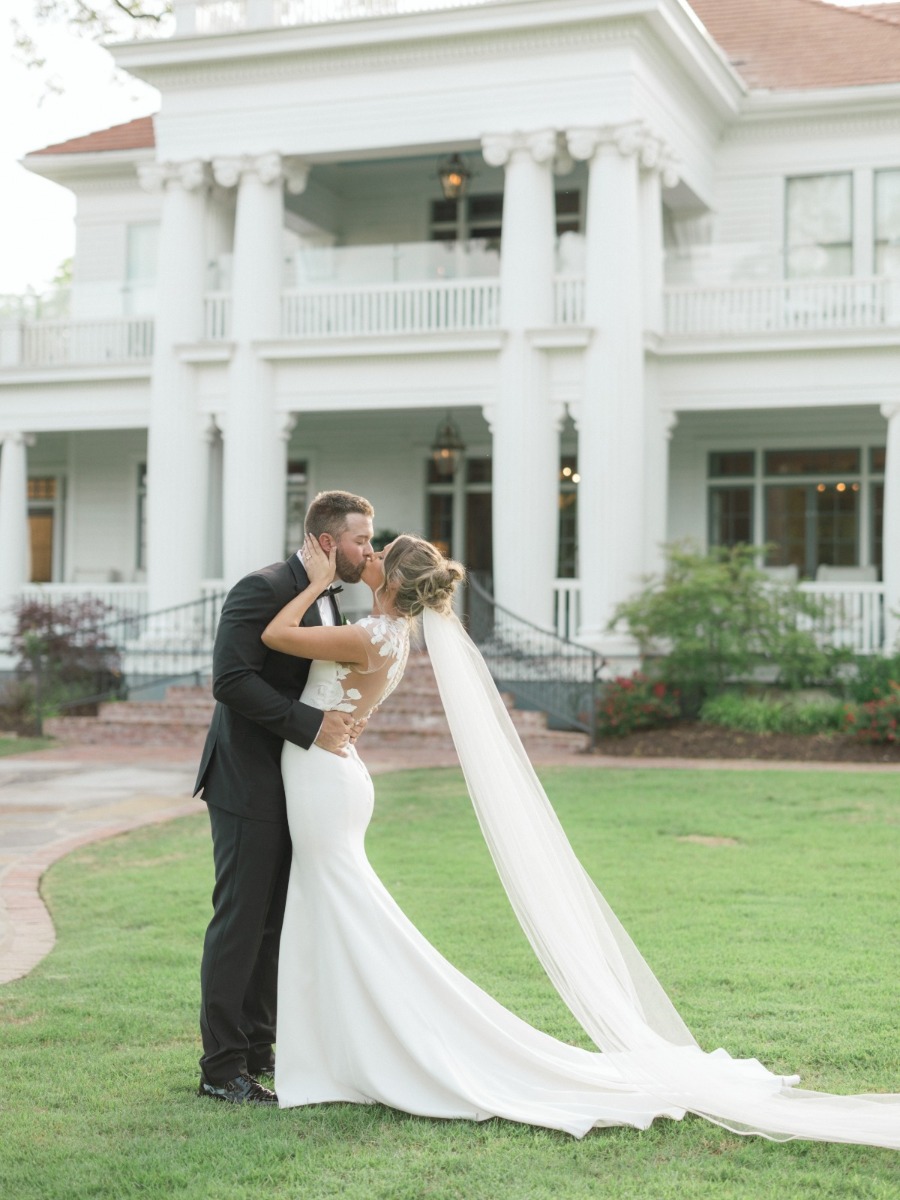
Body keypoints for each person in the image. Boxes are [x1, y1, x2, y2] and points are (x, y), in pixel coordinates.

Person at [258, 534, 899, 1147]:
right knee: (340, 910)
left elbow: (276, 636)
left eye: (378, 553)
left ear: (394, 580)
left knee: (344, 908)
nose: (365, 557)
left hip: (326, 779)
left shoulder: (374, 631)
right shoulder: (392, 633)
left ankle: (365, 1051)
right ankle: (344, 1049)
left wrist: (314, 581)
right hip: (333, 773)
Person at [194, 490, 375, 1105]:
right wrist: (310, 725)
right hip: (246, 778)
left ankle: (257, 1048)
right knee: (241, 920)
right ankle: (220, 1070)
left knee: (274, 920)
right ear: (327, 542)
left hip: (297, 781)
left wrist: (342, 717)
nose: (366, 551)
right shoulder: (262, 587)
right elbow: (230, 679)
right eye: (360, 540)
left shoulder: (329, 600)